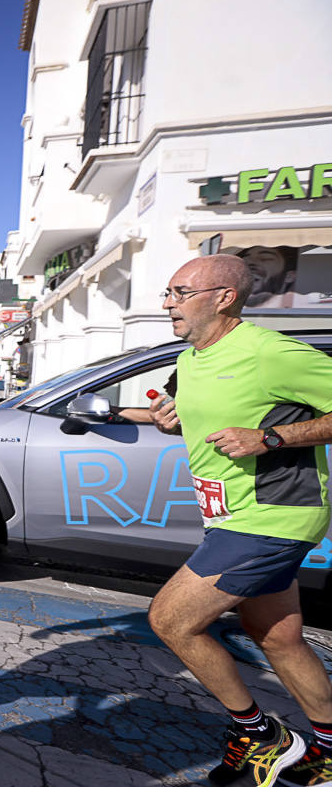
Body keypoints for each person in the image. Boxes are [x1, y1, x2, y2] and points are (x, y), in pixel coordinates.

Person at [145, 254, 332, 787]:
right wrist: (167, 418)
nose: (167, 305)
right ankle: (329, 749)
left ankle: (256, 734)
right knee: (276, 637)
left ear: (224, 297)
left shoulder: (270, 352)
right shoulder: (192, 360)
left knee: (171, 620)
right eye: (168, 293)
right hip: (231, 516)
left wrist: (271, 438)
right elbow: (200, 413)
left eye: (180, 293)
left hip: (275, 514)